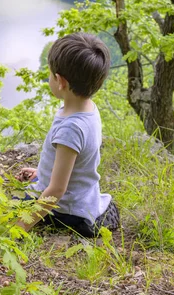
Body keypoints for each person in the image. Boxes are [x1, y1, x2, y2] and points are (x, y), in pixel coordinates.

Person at [15, 32, 120, 237]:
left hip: (68, 208)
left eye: (50, 73)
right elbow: (73, 164)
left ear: (60, 81)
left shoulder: (71, 129)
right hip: (82, 194)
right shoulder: (87, 108)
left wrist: (20, 228)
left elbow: (56, 192)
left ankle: (77, 224)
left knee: (17, 202)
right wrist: (42, 172)